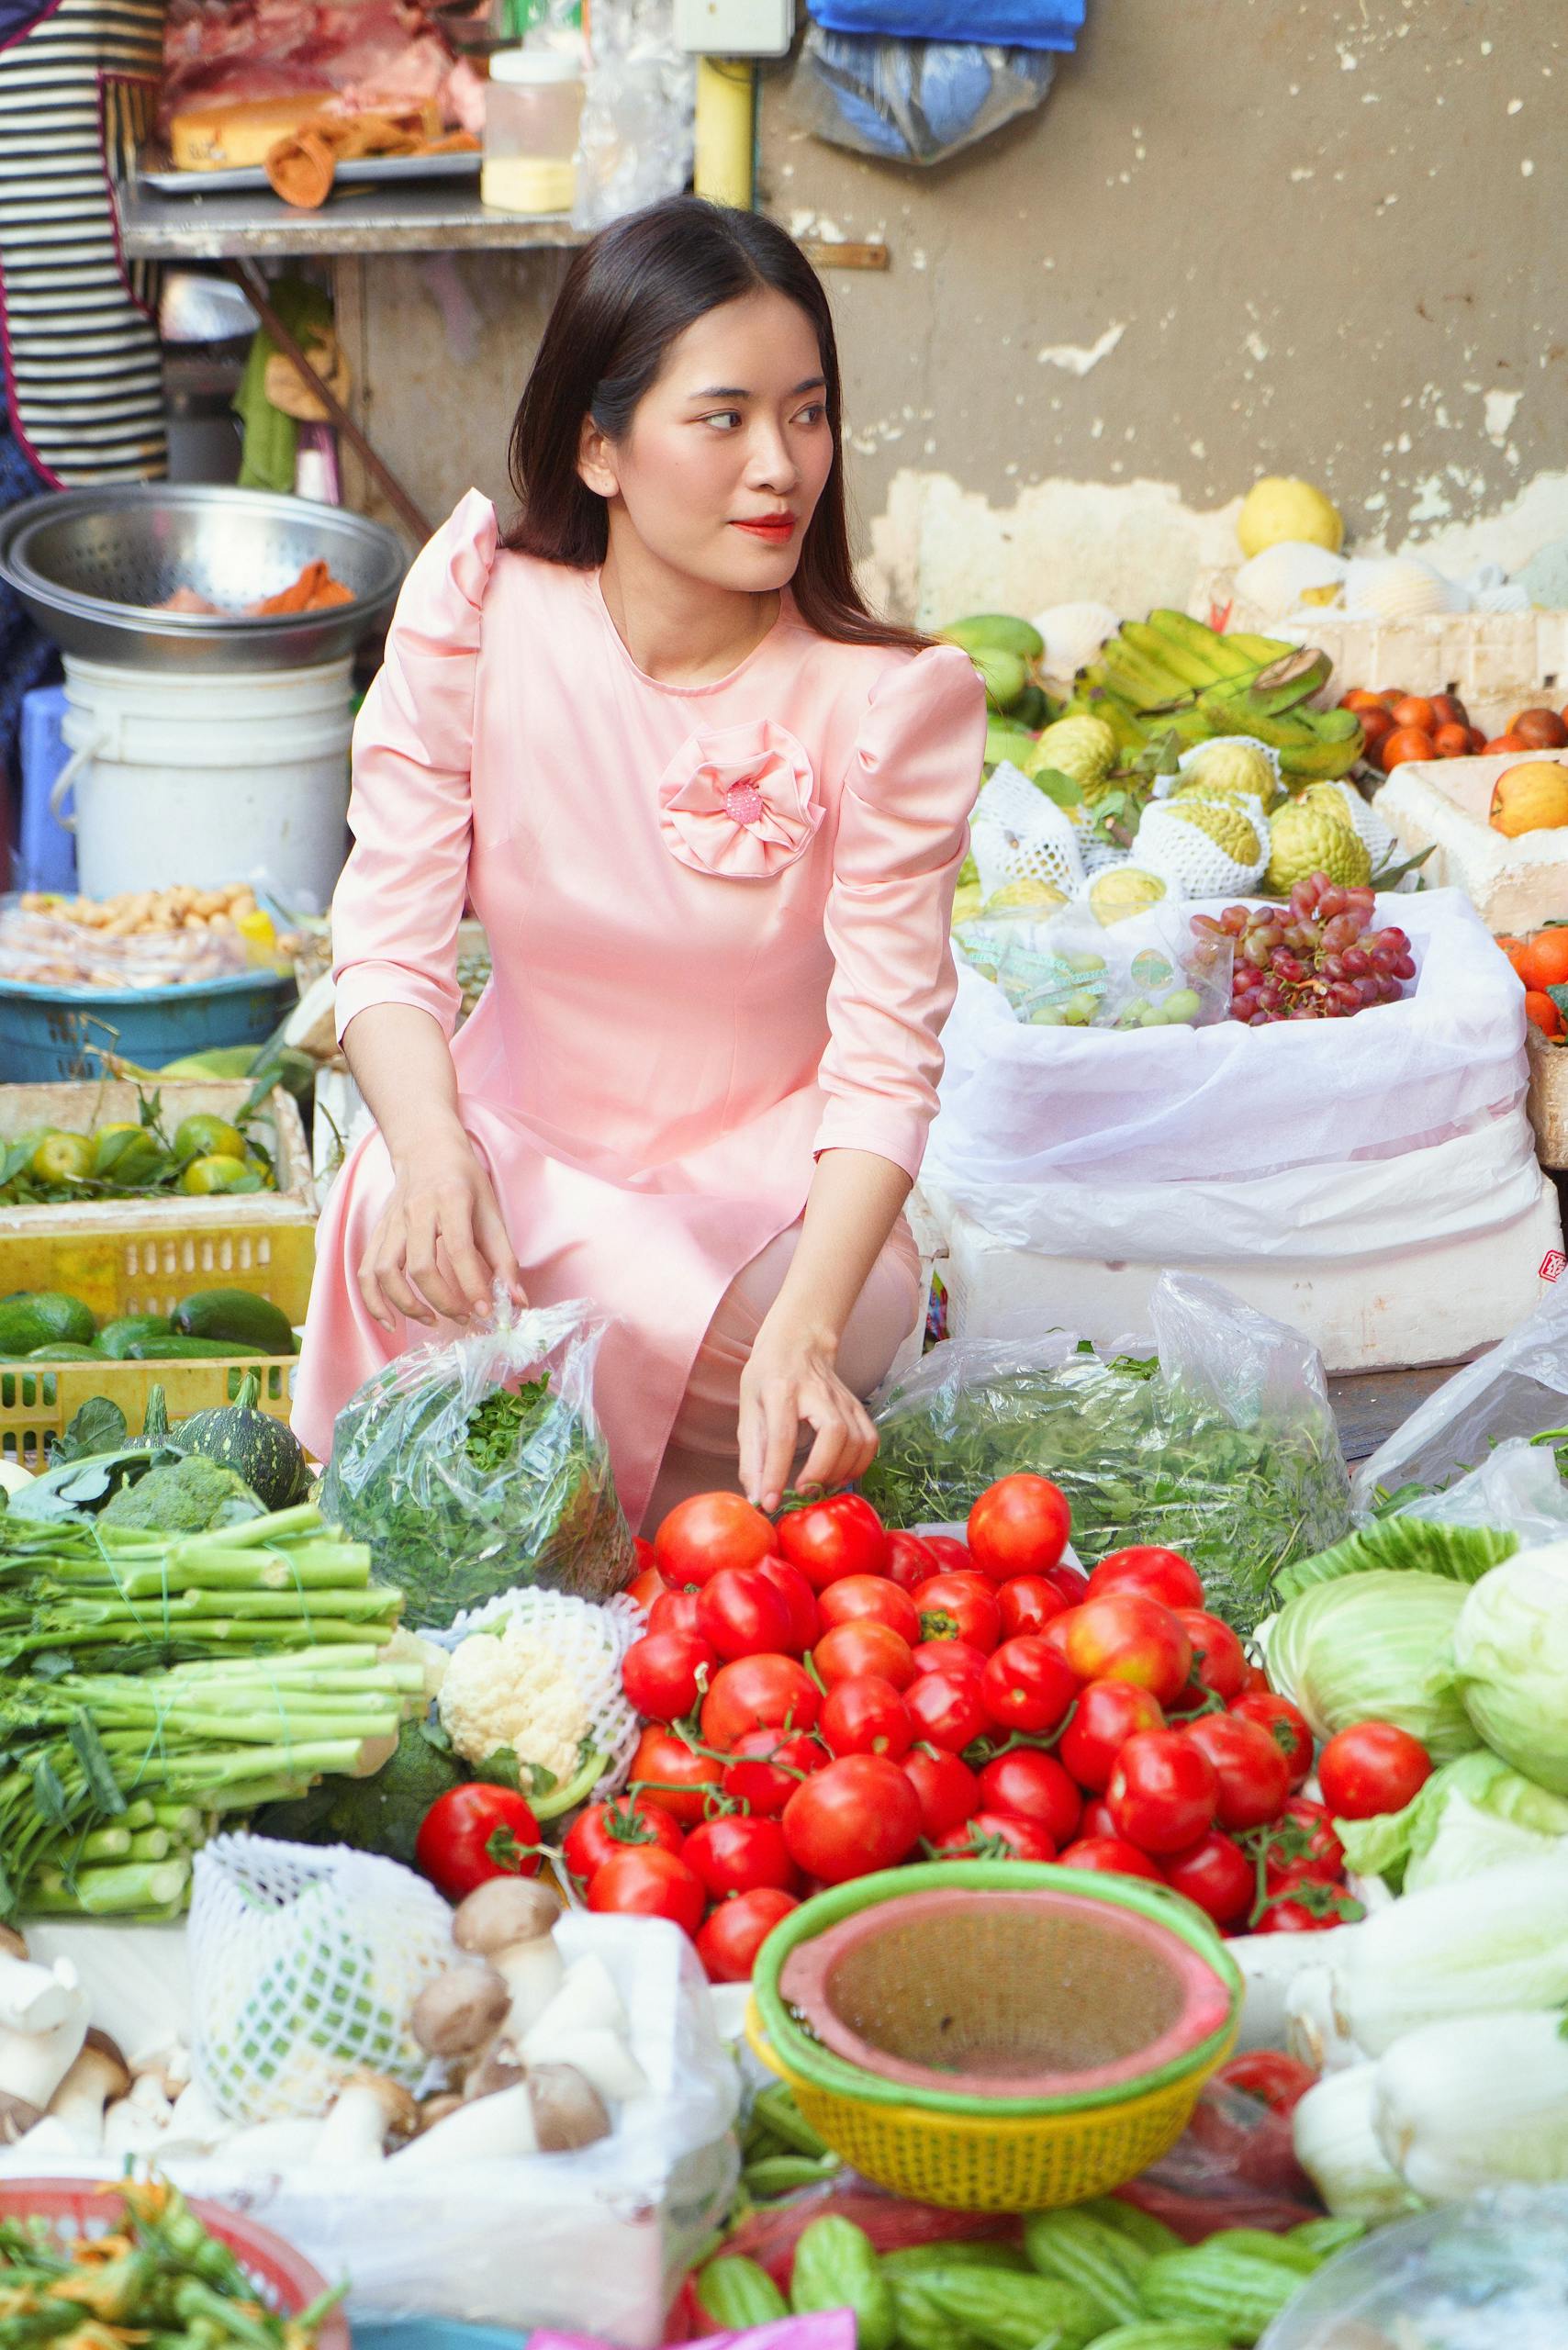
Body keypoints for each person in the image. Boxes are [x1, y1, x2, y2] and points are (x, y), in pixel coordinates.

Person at [292, 195, 986, 1535]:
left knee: (735, 1314)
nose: (780, 466)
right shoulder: (478, 617)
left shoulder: (888, 702)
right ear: (600, 447)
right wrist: (434, 1146)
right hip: (511, 1155)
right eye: (722, 419)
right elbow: (386, 942)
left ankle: (629, 1499)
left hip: (771, 1220)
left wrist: (807, 1322)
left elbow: (889, 1063)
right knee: (399, 1198)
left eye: (807, 411)